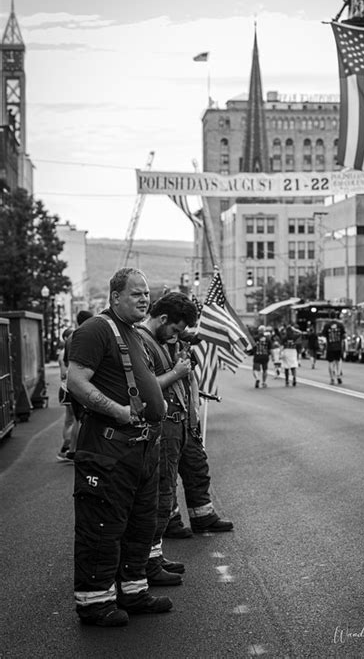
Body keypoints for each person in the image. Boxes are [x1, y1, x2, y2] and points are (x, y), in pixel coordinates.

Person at [67, 268, 171, 627]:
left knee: (140, 525)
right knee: (102, 527)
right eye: (136, 294)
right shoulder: (96, 329)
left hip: (139, 452)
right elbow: (76, 383)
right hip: (108, 451)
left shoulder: (135, 334)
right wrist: (120, 412)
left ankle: (134, 591)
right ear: (115, 297)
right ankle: (95, 603)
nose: (145, 299)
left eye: (146, 294)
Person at [138, 293, 233, 543]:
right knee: (164, 479)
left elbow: (191, 351)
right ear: (163, 319)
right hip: (164, 420)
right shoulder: (143, 341)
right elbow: (145, 386)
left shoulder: (171, 339)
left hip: (183, 418)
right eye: (175, 329)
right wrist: (177, 371)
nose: (176, 335)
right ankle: (166, 526)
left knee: (196, 467)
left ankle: (202, 515)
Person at [57, 310, 94, 462]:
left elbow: (66, 363)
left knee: (75, 419)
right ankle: (76, 451)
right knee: (82, 419)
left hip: (71, 384)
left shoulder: (70, 338)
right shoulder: (85, 336)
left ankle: (71, 449)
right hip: (83, 383)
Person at [56, 327, 76, 462]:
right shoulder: (66, 352)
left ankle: (66, 449)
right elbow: (64, 373)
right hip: (69, 389)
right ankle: (67, 448)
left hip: (64, 388)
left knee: (69, 420)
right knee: (75, 420)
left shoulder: (63, 352)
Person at [321, 311, 346, 385]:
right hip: (338, 347)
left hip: (330, 347)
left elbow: (323, 336)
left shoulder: (327, 325)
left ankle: (332, 378)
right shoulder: (340, 325)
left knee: (330, 363)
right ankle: (338, 376)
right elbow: (344, 335)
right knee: (339, 361)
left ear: (329, 316)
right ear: (336, 316)